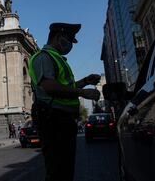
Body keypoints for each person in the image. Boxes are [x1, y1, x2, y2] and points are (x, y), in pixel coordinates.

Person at [28, 22, 101, 181]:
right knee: (58, 172)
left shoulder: (57, 58)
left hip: (62, 120)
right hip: (53, 119)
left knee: (65, 171)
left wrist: (85, 81)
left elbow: (66, 87)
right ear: (58, 36)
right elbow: (49, 86)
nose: (70, 44)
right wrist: (83, 92)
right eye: (68, 39)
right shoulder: (43, 57)